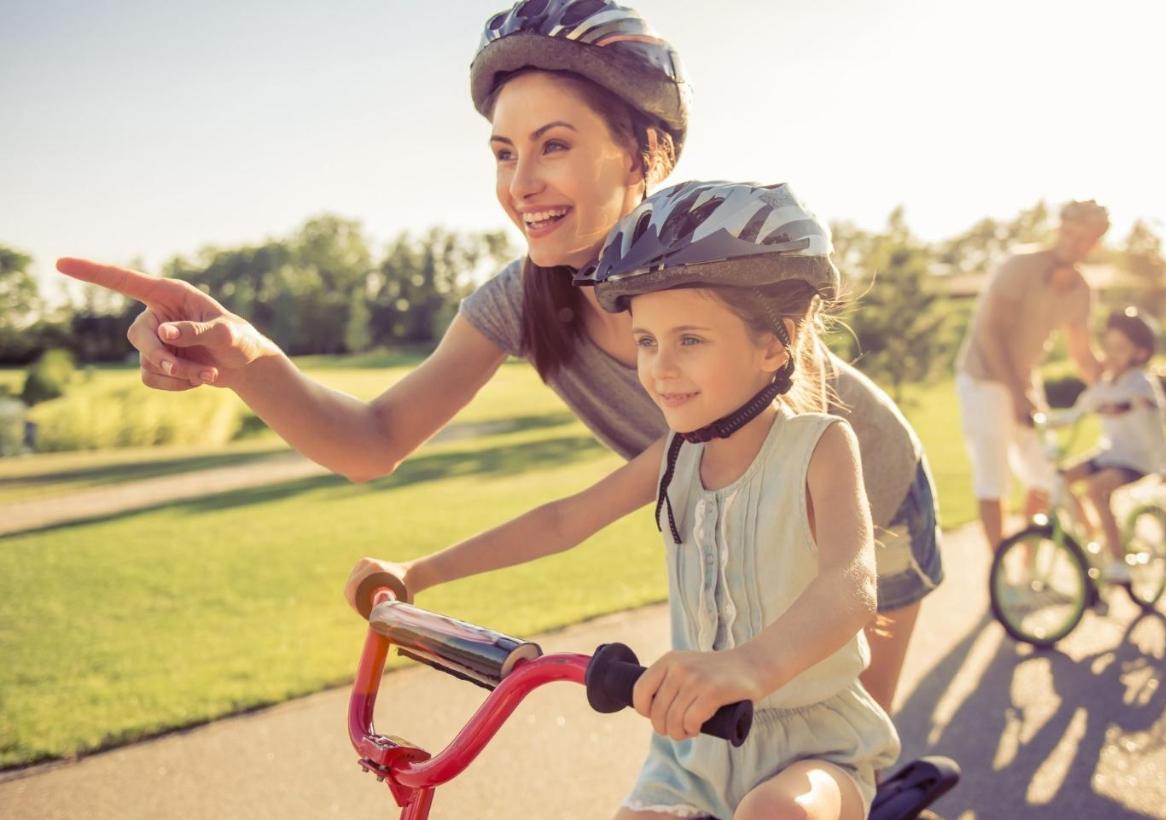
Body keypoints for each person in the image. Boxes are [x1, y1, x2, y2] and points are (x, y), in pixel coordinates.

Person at [53, 0, 939, 715]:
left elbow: (802, 516)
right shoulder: (524, 299)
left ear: (643, 153)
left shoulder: (717, 274)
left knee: (819, 758)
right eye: (505, 153)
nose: (521, 184)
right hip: (737, 530)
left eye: (555, 145)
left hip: (861, 512)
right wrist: (246, 357)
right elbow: (373, 441)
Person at [347, 181, 900, 820]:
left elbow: (851, 582)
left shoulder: (819, 446)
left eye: (689, 340)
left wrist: (750, 667)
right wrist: (420, 572)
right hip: (691, 755)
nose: (659, 369)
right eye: (646, 341)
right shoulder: (674, 456)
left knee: (777, 815)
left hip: (815, 749)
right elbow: (563, 520)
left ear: (774, 344)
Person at [954, 199, 1110, 552]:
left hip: (1023, 380)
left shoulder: (1082, 290)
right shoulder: (1020, 266)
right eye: (1068, 232)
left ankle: (1028, 565)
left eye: (1083, 237)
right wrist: (1018, 395)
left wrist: (1117, 389)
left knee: (1043, 475)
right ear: (1058, 229)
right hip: (983, 378)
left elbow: (1082, 354)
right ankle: (1001, 571)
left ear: (1095, 244)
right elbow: (991, 334)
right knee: (994, 480)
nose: (1072, 242)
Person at [1060, 307, 1166, 581]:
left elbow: (1132, 403)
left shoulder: (1141, 383)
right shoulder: (1106, 382)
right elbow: (1079, 409)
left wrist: (1116, 406)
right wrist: (1044, 419)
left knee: (1095, 490)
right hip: (1111, 453)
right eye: (1107, 347)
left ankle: (1118, 560)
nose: (1109, 355)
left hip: (1140, 459)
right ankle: (1094, 533)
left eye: (1119, 348)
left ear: (1140, 354)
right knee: (1061, 479)